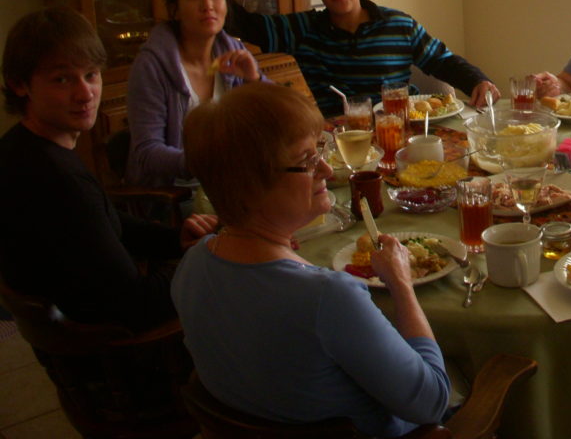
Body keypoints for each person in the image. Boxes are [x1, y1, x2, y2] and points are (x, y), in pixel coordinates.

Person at [173, 82, 450, 436]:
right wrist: (400, 283)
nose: (324, 170)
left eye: (318, 151)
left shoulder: (192, 263)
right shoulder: (328, 297)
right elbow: (431, 403)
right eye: (305, 161)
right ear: (250, 187)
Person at [0, 7, 217, 331]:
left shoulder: (21, 146)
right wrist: (210, 256)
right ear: (20, 85)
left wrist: (176, 240)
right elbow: (137, 304)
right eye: (62, 79)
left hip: (76, 328)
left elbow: (104, 223)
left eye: (91, 74)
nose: (85, 93)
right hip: (111, 348)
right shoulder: (59, 181)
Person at [189, 0, 499, 117]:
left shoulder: (399, 26)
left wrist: (478, 81)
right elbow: (241, 23)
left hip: (399, 136)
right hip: (338, 145)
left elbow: (443, 61)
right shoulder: (303, 29)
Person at [126, 0, 263, 188]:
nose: (207, 5)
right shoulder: (151, 66)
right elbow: (147, 152)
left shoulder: (233, 50)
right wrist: (205, 163)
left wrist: (254, 80)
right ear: (175, 10)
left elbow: (275, 118)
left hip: (236, 184)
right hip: (178, 196)